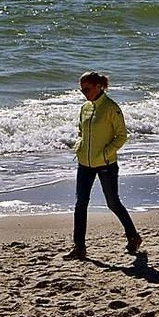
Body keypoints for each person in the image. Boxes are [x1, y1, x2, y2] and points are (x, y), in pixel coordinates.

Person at [66, 71, 142, 260]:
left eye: (87, 89)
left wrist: (105, 154)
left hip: (106, 164)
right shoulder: (85, 108)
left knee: (112, 203)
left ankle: (133, 236)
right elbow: (80, 130)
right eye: (82, 90)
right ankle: (79, 247)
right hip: (84, 164)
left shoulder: (111, 107)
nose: (84, 93)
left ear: (98, 86)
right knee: (80, 204)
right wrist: (79, 146)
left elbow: (122, 136)